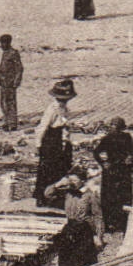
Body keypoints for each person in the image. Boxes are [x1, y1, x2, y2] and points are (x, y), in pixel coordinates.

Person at [46, 170, 105, 266]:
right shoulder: (67, 193)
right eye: (70, 179)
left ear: (82, 181)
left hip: (84, 232)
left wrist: (99, 236)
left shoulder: (90, 196)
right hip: (69, 230)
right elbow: (47, 194)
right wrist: (58, 184)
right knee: (67, 263)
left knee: (83, 263)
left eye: (74, 180)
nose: (71, 183)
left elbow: (98, 217)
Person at [34, 79, 78, 207]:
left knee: (60, 168)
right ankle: (42, 197)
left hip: (59, 139)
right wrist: (38, 144)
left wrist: (66, 140)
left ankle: (55, 196)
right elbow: (42, 127)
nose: (64, 101)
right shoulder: (52, 109)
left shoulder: (65, 108)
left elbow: (64, 126)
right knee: (47, 169)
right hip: (51, 140)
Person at [94, 118, 133, 234]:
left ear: (121, 128)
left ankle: (123, 223)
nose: (114, 128)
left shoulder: (127, 137)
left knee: (124, 196)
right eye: (112, 125)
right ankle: (109, 224)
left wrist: (130, 157)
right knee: (108, 197)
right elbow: (96, 152)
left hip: (123, 170)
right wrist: (103, 163)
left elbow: (132, 150)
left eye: (116, 126)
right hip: (111, 171)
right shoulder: (107, 139)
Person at [0, 34, 23, 130]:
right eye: (1, 43)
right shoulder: (5, 53)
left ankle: (12, 124)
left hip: (10, 83)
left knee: (10, 103)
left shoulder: (13, 53)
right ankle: (6, 121)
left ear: (8, 43)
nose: (1, 45)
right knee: (3, 102)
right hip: (4, 83)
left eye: (3, 43)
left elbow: (19, 68)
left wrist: (17, 81)